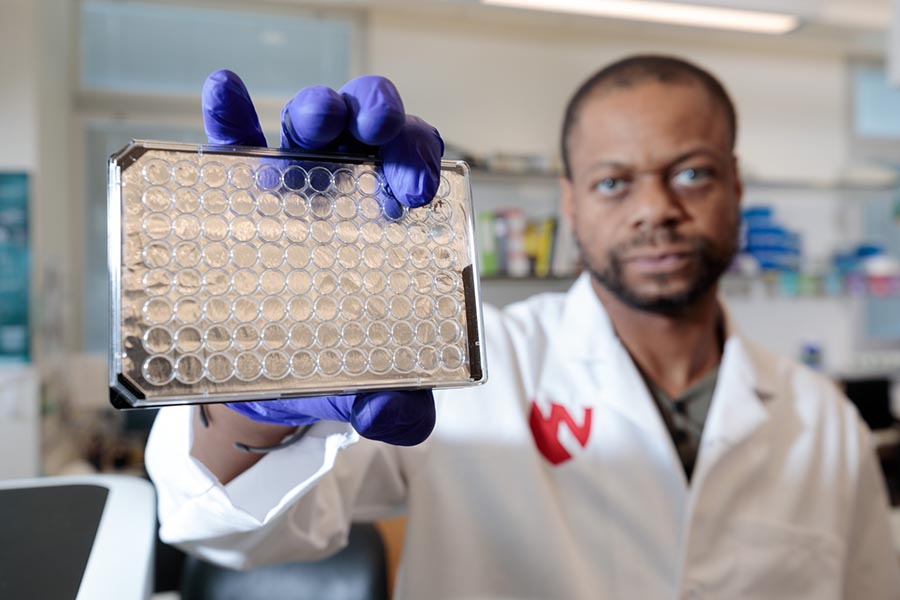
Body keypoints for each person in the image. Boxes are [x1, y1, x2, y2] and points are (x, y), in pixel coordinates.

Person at [146, 56, 900, 599]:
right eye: (614, 182)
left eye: (693, 173)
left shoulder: (825, 421)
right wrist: (255, 383)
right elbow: (225, 531)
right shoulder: (471, 363)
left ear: (736, 186)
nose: (655, 209)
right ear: (570, 205)